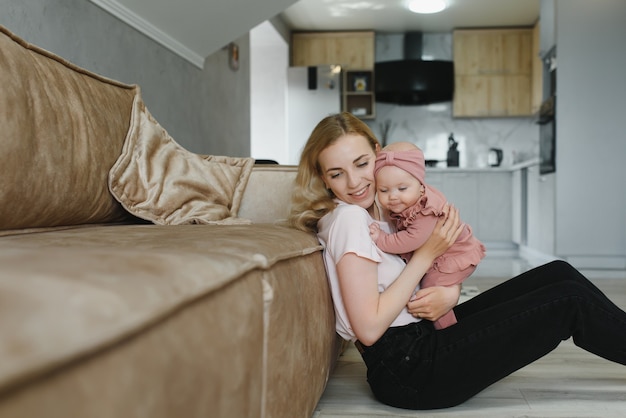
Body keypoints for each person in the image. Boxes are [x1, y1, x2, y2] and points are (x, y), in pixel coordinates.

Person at [287, 111, 626, 410]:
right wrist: (425, 255)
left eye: (361, 164)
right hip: (412, 370)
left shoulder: (383, 210)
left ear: (379, 156)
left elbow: (428, 270)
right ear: (322, 178)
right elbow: (370, 328)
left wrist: (450, 292)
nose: (355, 182)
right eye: (336, 173)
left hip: (422, 336)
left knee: (557, 274)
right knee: (569, 301)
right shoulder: (348, 220)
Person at [369, 141, 486, 329]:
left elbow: (410, 240)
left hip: (453, 256)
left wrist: (381, 238)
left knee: (430, 293)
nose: (393, 196)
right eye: (383, 190)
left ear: (421, 185)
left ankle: (447, 333)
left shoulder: (425, 210)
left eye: (402, 188)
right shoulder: (411, 200)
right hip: (444, 253)